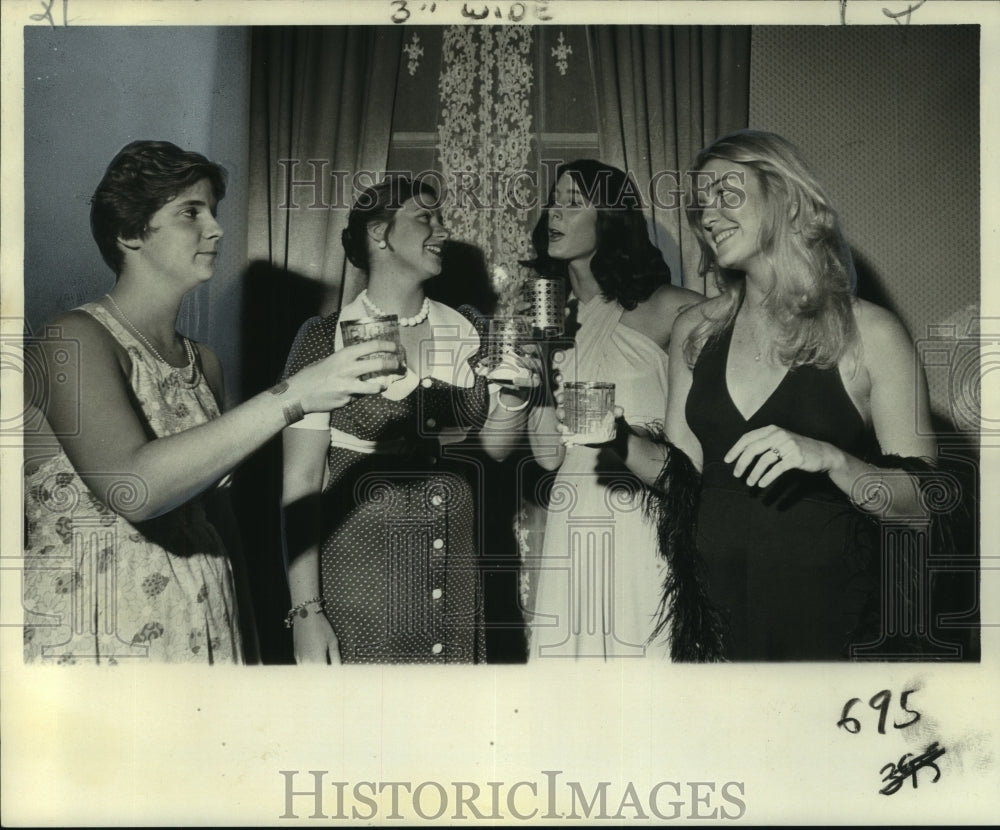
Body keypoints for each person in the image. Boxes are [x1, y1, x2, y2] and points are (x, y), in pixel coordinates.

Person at [22, 140, 398, 664]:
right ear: (130, 232)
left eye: (213, 211)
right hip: (97, 640)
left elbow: (218, 520)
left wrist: (249, 643)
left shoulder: (204, 363)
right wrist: (296, 395)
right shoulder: (73, 339)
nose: (216, 228)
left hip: (202, 632)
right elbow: (135, 490)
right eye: (189, 212)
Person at [625, 129, 938, 661]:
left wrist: (831, 459)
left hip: (832, 623)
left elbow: (926, 505)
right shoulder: (694, 331)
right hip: (715, 622)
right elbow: (685, 480)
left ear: (787, 200)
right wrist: (613, 440)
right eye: (702, 203)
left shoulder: (870, 332)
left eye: (727, 194)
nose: (708, 214)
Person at [281, 177, 532, 664]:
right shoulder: (322, 337)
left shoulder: (471, 328)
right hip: (363, 579)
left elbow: (497, 452)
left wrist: (517, 398)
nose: (441, 230)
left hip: (456, 574)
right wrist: (306, 612)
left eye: (440, 218)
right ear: (379, 234)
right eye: (425, 218)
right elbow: (301, 478)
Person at [521, 159, 702, 660]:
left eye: (574, 203)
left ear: (610, 220)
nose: (555, 212)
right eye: (555, 200)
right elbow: (549, 456)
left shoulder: (670, 307)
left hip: (641, 520)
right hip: (572, 515)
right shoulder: (550, 321)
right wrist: (534, 374)